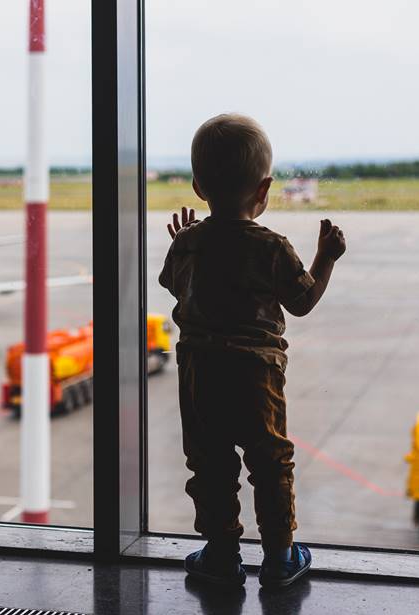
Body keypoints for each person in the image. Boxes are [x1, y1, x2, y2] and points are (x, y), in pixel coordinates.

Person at [159, 113, 346, 588]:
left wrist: (183, 243)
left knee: (210, 462)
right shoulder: (271, 248)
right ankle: (280, 557)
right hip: (254, 374)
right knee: (269, 461)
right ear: (264, 191)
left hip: (199, 370)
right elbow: (302, 301)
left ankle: (222, 554)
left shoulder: (189, 243)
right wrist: (326, 256)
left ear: (199, 187)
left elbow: (175, 289)